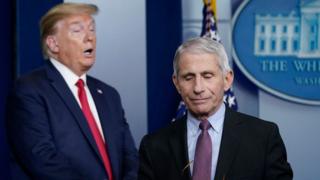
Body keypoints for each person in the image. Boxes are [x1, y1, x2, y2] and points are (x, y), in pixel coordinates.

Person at [6, 3, 138, 180]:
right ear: (53, 44)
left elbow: (129, 157)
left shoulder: (109, 95)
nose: (89, 37)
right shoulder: (30, 90)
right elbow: (42, 159)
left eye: (92, 29)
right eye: (77, 30)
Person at [138, 37, 293, 180]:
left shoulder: (264, 138)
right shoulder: (153, 146)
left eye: (207, 76)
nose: (198, 88)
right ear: (177, 83)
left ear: (227, 79)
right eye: (188, 77)